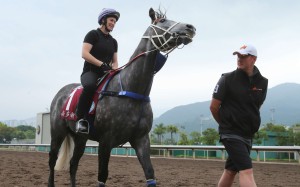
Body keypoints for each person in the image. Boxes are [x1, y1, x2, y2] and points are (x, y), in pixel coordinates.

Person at [210, 44, 268, 187]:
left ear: (253, 59)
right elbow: (213, 107)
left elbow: (256, 107)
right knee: (246, 170)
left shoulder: (263, 82)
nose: (239, 59)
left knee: (230, 171)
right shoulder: (227, 79)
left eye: (243, 56)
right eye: (238, 56)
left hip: (248, 134)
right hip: (231, 133)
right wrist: (226, 124)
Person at [75, 8, 120, 134]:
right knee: (89, 86)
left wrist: (115, 70)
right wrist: (101, 65)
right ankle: (81, 120)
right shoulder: (93, 34)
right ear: (103, 20)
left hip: (106, 73)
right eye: (111, 20)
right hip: (91, 72)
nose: (113, 23)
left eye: (115, 22)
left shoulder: (114, 42)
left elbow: (115, 61)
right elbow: (84, 53)